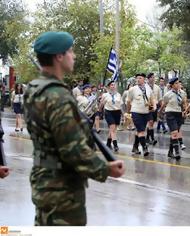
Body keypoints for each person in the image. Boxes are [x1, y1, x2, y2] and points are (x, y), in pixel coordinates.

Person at [23, 31, 125, 226]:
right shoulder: (57, 95)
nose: (74, 55)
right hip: (62, 191)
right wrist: (104, 168)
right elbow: (72, 149)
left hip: (44, 183)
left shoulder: (35, 88)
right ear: (59, 57)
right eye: (70, 51)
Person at [127, 73, 154, 156]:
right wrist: (128, 112)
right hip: (136, 112)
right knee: (141, 131)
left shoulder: (148, 88)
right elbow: (128, 101)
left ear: (144, 79)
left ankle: (135, 147)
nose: (138, 80)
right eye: (137, 78)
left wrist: (153, 106)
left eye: (140, 78)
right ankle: (144, 148)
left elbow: (152, 98)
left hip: (146, 112)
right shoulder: (132, 89)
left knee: (140, 130)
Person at [159, 77, 184, 160]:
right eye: (176, 83)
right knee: (174, 132)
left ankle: (170, 152)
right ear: (172, 85)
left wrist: (185, 112)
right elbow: (163, 104)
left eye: (178, 83)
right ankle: (177, 152)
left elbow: (183, 104)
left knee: (175, 134)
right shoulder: (168, 94)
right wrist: (160, 112)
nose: (178, 85)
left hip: (179, 114)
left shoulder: (182, 93)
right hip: (170, 113)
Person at [99, 80, 122, 152]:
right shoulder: (105, 95)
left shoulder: (118, 94)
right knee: (112, 128)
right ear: (109, 87)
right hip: (109, 112)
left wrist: (124, 114)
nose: (113, 86)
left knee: (113, 130)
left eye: (114, 85)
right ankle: (115, 145)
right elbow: (101, 105)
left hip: (117, 112)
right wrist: (99, 112)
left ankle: (108, 143)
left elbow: (120, 105)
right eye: (111, 85)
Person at [146, 73, 160, 145]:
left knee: (152, 123)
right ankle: (152, 138)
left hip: (155, 106)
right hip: (148, 106)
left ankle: (147, 138)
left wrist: (160, 108)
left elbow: (159, 98)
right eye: (152, 77)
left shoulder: (157, 87)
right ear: (148, 79)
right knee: (150, 122)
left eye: (154, 77)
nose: (153, 78)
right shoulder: (145, 87)